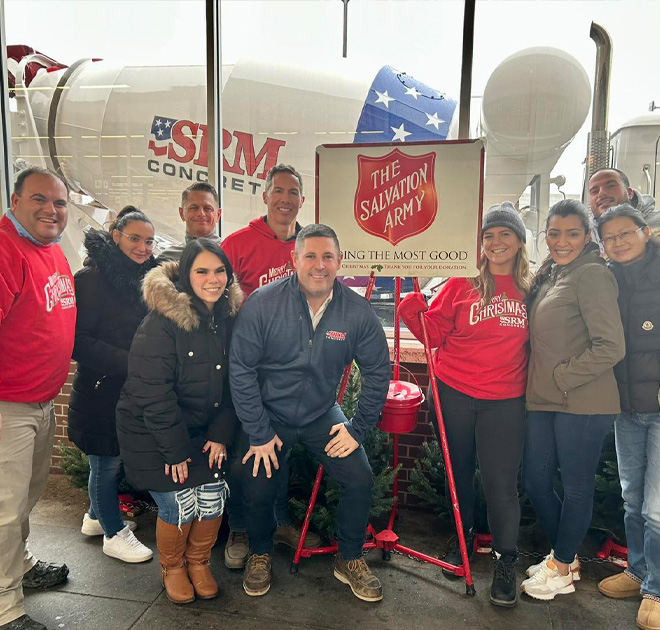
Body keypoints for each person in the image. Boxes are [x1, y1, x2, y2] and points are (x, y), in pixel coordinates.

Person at [229, 224, 390, 602]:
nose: (320, 265)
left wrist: (357, 428)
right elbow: (241, 369)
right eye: (311, 256)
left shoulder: (356, 312)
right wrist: (258, 431)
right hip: (269, 415)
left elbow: (379, 372)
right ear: (294, 259)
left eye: (328, 256)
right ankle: (260, 552)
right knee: (257, 480)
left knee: (359, 477)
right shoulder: (263, 303)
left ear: (339, 261)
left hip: (321, 413)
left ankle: (349, 557)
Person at [399, 202, 531, 607]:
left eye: (505, 234)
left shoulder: (531, 289)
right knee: (456, 474)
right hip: (454, 391)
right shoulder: (461, 283)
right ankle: (462, 539)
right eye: (488, 235)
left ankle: (505, 561)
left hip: (505, 401)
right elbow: (433, 334)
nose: (496, 242)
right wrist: (411, 310)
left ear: (519, 241)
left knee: (500, 484)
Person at [116, 238, 242, 604]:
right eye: (202, 271)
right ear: (186, 275)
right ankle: (172, 567)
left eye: (219, 270)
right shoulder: (161, 324)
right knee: (179, 503)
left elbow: (236, 382)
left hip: (204, 431)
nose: (213, 279)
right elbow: (152, 393)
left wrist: (221, 434)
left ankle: (198, 562)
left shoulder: (228, 319)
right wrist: (174, 451)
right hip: (153, 432)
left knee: (212, 496)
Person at [520, 199, 625, 601]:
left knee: (576, 487)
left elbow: (611, 346)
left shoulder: (592, 275)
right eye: (554, 233)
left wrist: (564, 376)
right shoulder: (555, 274)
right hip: (546, 400)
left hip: (583, 403)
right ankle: (565, 556)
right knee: (535, 480)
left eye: (572, 233)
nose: (562, 241)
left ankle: (562, 567)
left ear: (587, 236)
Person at [221, 163, 320, 569]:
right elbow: (215, 302)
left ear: (302, 200)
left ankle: (278, 523)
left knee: (279, 452)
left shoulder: (311, 246)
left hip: (291, 373)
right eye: (278, 191)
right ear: (264, 196)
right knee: (243, 454)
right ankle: (240, 528)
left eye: (292, 192)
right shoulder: (236, 244)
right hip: (246, 370)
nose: (285, 199)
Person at [0, 167, 76, 630]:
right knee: (4, 509)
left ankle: (20, 565)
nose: (51, 210)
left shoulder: (49, 248)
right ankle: (4, 606)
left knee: (25, 497)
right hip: (8, 405)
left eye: (60, 202)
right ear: (15, 200)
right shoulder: (5, 248)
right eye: (39, 199)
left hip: (41, 400)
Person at [67, 206, 157, 563]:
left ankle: (95, 517)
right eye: (135, 238)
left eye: (149, 241)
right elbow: (78, 342)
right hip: (101, 390)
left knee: (110, 462)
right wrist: (131, 361)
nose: (143, 247)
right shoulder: (90, 280)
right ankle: (113, 533)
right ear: (116, 236)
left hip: (132, 388)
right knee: (105, 463)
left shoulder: (149, 279)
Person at [596, 205, 660, 630]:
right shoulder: (609, 278)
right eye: (610, 237)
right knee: (632, 496)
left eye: (626, 233)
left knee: (657, 508)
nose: (618, 242)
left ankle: (656, 588)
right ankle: (637, 571)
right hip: (626, 407)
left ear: (644, 231)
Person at [587, 168, 660, 246]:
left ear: (629, 193)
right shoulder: (583, 234)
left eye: (610, 186)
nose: (601, 193)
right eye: (594, 191)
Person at [157, 182, 221, 263]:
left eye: (208, 208)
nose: (201, 213)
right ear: (181, 213)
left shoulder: (231, 255)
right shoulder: (166, 259)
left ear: (218, 215)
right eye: (194, 208)